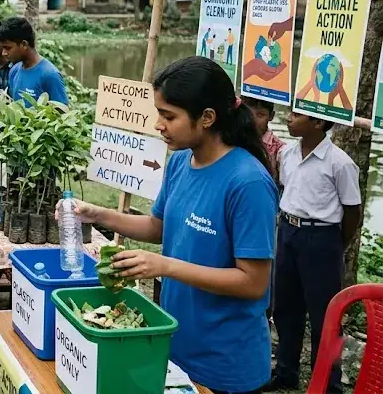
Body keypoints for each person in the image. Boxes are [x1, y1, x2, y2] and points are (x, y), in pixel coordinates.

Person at [62, 56, 277, 394]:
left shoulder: (247, 183)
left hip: (225, 364)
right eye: (158, 113)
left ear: (207, 118)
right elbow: (158, 227)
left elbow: (252, 283)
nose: (158, 125)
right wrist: (96, 214)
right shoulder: (180, 162)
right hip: (176, 345)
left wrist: (164, 265)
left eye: (169, 116)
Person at [266, 112, 361, 394]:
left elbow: (352, 211)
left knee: (326, 316)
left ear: (318, 123)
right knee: (286, 308)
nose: (288, 118)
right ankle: (286, 372)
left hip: (321, 236)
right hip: (289, 231)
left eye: (297, 115)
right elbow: (287, 189)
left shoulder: (340, 163)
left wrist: (335, 246)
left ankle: (328, 383)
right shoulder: (288, 155)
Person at [0, 17, 68, 105]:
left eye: (7, 48)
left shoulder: (50, 75)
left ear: (24, 45)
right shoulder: (14, 71)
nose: (4, 53)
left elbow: (62, 112)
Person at [241, 97, 286, 181]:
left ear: (271, 116)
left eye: (260, 115)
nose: (253, 120)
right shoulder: (232, 140)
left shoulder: (280, 151)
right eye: (249, 113)